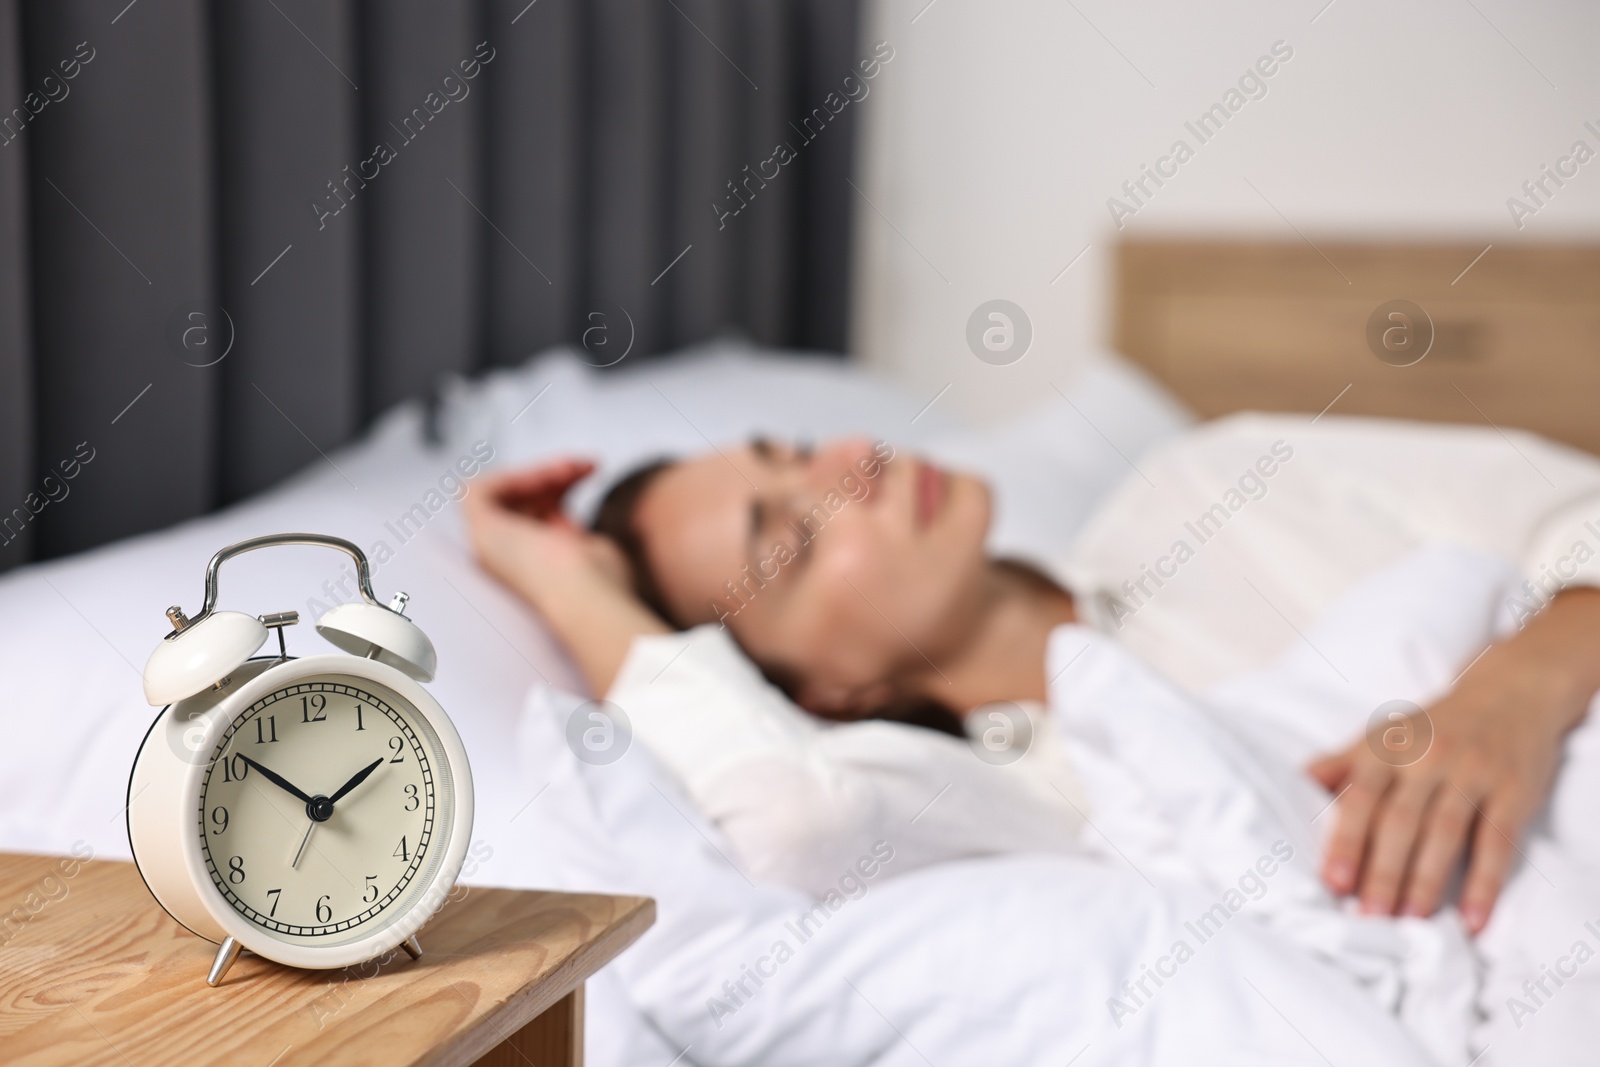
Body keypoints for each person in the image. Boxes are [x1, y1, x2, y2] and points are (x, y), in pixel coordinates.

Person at [464, 419, 1600, 933]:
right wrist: (567, 584)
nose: (854, 465)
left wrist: (1526, 680)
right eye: (795, 543)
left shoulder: (1208, 485)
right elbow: (795, 806)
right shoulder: (1019, 816)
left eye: (801, 446)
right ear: (828, 693)